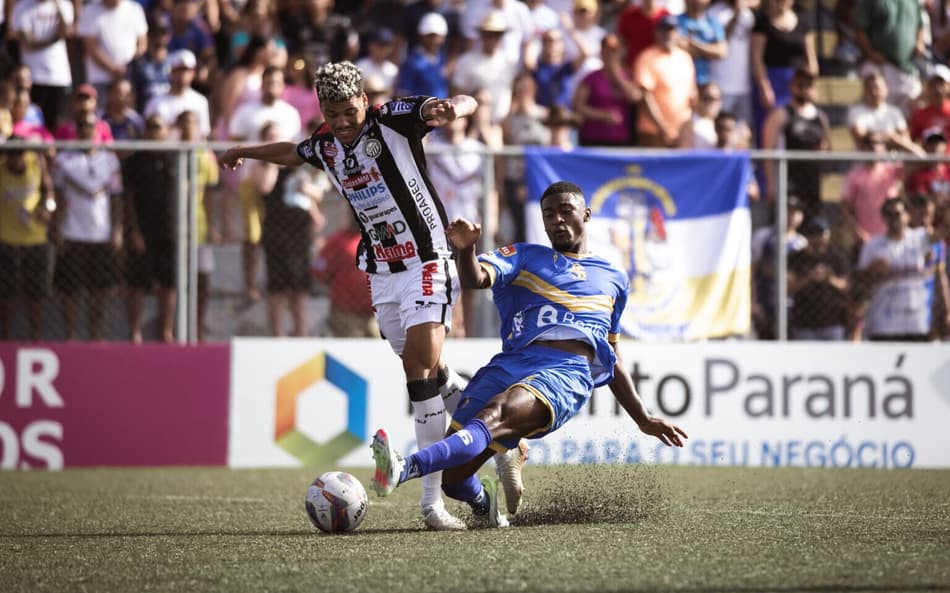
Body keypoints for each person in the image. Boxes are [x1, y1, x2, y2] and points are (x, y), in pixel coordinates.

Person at [219, 60, 480, 531]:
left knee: (417, 370)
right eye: (330, 113)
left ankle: (431, 503)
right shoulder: (325, 145)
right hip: (382, 270)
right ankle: (488, 420)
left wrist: (452, 107)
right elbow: (292, 153)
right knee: (433, 374)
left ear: (364, 100)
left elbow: (466, 102)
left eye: (347, 112)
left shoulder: (394, 119)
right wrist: (245, 150)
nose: (340, 123)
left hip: (427, 258)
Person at [370, 181, 688, 527]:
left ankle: (403, 468)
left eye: (566, 211)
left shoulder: (614, 278)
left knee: (494, 414)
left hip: (566, 371)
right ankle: (486, 502)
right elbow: (477, 279)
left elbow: (612, 353)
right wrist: (466, 250)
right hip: (511, 364)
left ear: (587, 214)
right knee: (453, 479)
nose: (557, 220)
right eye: (549, 214)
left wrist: (642, 417)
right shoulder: (524, 256)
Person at [50, 112, 124, 341]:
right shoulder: (64, 160)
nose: (86, 130)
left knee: (98, 291)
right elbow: (56, 194)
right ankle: (71, 336)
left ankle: (95, 337)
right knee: (70, 291)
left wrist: (117, 229)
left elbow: (116, 197)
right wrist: (56, 227)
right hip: (72, 233)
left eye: (91, 126)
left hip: (100, 234)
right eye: (81, 126)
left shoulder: (110, 160)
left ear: (98, 130)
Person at [854, 197, 948, 341]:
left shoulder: (920, 238)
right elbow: (858, 283)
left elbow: (944, 232)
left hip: (917, 320)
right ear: (883, 218)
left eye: (898, 214)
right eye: (889, 215)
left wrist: (944, 208)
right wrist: (871, 271)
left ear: (907, 215)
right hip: (885, 322)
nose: (894, 219)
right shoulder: (873, 246)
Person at [0, 137, 54, 341]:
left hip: (36, 240)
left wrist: (47, 209)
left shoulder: (35, 162)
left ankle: (36, 339)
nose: (17, 159)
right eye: (12, 154)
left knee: (37, 295)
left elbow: (49, 191)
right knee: (6, 296)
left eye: (20, 153)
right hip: (7, 240)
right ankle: (4, 339)